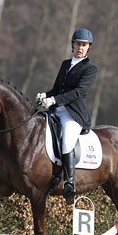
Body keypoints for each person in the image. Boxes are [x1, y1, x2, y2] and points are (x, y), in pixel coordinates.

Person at [35, 28, 98, 204]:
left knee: (67, 140)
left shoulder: (90, 69)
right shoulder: (65, 64)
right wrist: (44, 97)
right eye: (78, 43)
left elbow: (78, 92)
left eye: (84, 45)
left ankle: (69, 182)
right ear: (73, 45)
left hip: (74, 114)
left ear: (88, 48)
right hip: (56, 109)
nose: (80, 47)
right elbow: (56, 89)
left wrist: (54, 100)